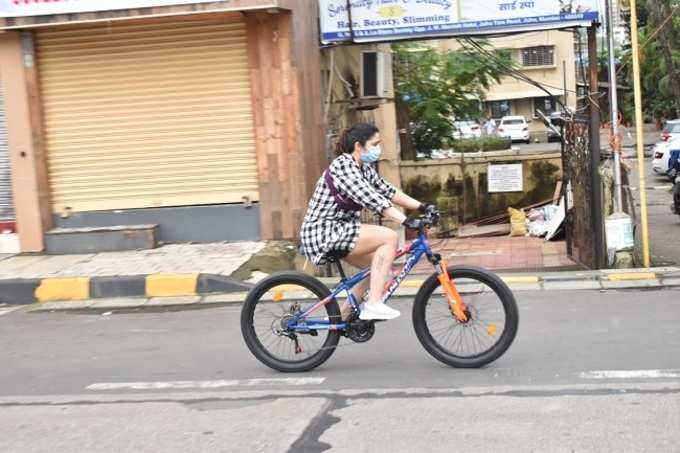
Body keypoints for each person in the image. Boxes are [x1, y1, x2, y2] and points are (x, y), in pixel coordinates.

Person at [300, 123, 434, 321]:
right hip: (323, 232)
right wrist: (405, 221)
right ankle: (373, 304)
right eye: (375, 144)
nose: (378, 149)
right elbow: (373, 199)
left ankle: (342, 318)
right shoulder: (343, 166)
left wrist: (423, 207)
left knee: (380, 271)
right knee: (388, 237)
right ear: (358, 146)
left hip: (341, 230)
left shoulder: (364, 169)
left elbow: (389, 192)